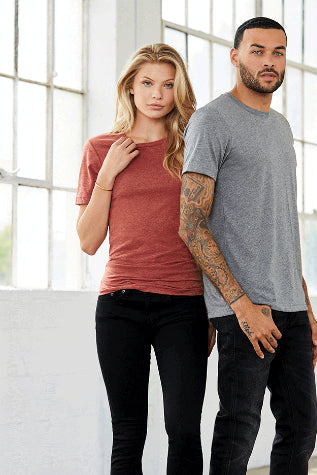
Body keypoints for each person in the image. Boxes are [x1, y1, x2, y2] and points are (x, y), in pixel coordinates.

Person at [179, 17, 317, 475]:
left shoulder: (281, 127)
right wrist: (239, 306)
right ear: (235, 55)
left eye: (278, 52)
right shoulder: (212, 121)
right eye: (257, 50)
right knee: (239, 430)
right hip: (244, 309)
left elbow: (280, 226)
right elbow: (191, 224)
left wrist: (306, 307)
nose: (269, 61)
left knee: (301, 428)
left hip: (290, 307)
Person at [75, 43, 215, 474]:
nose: (157, 93)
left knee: (184, 429)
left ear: (180, 90)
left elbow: (211, 231)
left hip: (184, 304)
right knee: (129, 429)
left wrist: (214, 309)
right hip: (120, 305)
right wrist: (110, 174)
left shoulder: (195, 148)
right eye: (148, 83)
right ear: (130, 88)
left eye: (169, 84)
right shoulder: (101, 150)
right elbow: (87, 240)